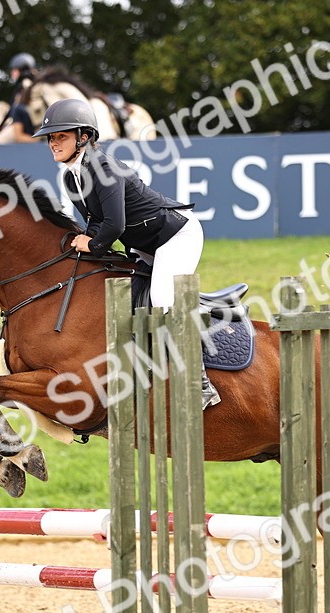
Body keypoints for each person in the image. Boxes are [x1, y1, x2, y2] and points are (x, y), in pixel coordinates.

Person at [32, 97, 219, 408]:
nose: (53, 143)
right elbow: (95, 222)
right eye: (51, 137)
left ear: (84, 137)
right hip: (146, 245)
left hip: (177, 236)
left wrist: (93, 245)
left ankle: (201, 386)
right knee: (128, 295)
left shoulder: (104, 167)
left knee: (162, 299)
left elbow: (114, 225)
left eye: (61, 136)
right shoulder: (70, 177)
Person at [0, 52, 39, 142]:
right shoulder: (31, 83)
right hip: (24, 123)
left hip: (22, 125)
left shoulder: (25, 84)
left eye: (15, 70)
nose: (12, 73)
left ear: (22, 70)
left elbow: (16, 108)